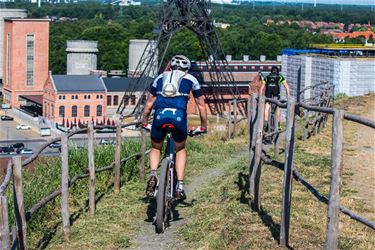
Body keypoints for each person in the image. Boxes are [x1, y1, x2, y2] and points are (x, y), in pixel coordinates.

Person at [142, 55, 208, 200]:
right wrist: (203, 126)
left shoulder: (159, 78)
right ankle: (180, 186)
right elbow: (201, 106)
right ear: (187, 69)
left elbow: (148, 104)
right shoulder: (191, 79)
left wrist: (145, 121)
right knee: (180, 149)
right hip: (179, 117)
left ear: (170, 66)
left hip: (159, 116)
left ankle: (153, 175)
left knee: (155, 148)